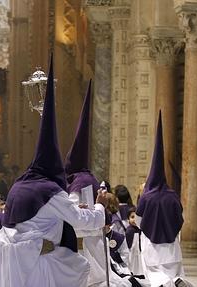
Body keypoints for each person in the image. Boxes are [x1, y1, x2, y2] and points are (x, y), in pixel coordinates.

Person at [0, 58, 107, 287]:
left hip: (11, 263)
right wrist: (101, 206)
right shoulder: (51, 191)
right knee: (82, 268)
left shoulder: (18, 186)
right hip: (37, 264)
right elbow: (81, 220)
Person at [64, 80, 131, 287]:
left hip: (86, 241)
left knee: (92, 279)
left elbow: (79, 211)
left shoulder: (81, 181)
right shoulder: (86, 178)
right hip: (92, 237)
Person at [135, 112, 193, 287]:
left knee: (156, 278)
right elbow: (180, 218)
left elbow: (138, 221)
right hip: (172, 248)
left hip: (152, 248)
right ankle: (176, 281)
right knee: (172, 275)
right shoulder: (173, 195)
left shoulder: (146, 197)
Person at [125, 208, 144, 276]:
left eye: (137, 217)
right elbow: (128, 246)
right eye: (132, 217)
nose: (135, 219)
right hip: (133, 254)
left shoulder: (142, 229)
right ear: (128, 219)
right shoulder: (129, 231)